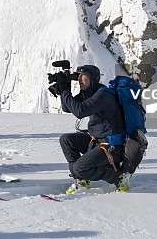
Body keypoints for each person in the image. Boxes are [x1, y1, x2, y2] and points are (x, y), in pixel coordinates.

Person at [52, 65, 129, 193]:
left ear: (92, 78)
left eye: (83, 75)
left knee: (79, 168)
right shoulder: (89, 94)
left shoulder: (103, 95)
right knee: (66, 140)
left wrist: (65, 90)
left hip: (112, 146)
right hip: (97, 142)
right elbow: (67, 108)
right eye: (78, 76)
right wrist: (63, 88)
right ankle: (82, 180)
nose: (79, 79)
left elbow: (80, 111)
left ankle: (118, 178)